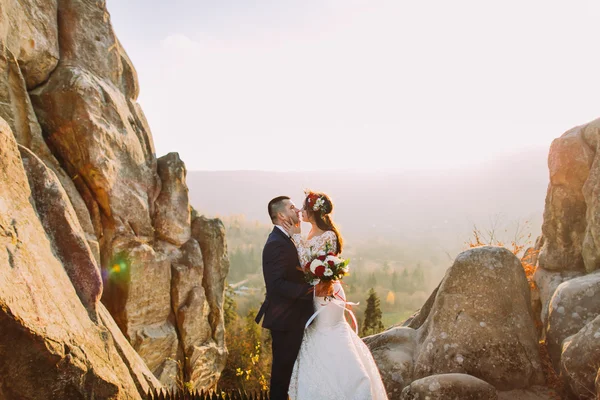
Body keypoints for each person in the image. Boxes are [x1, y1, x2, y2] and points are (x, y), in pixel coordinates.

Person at [282, 191, 389, 400]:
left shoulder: (328, 235)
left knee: (329, 331)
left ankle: (353, 385)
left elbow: (306, 264)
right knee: (316, 334)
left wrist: (295, 236)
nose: (301, 212)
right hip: (314, 291)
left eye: (304, 208)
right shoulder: (311, 232)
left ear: (313, 212)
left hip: (326, 293)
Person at [255, 196, 333, 400]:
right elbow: (276, 285)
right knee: (282, 375)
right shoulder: (276, 243)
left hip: (296, 317)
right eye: (291, 207)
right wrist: (311, 291)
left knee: (293, 374)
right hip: (285, 320)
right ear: (281, 215)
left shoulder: (288, 238)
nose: (297, 209)